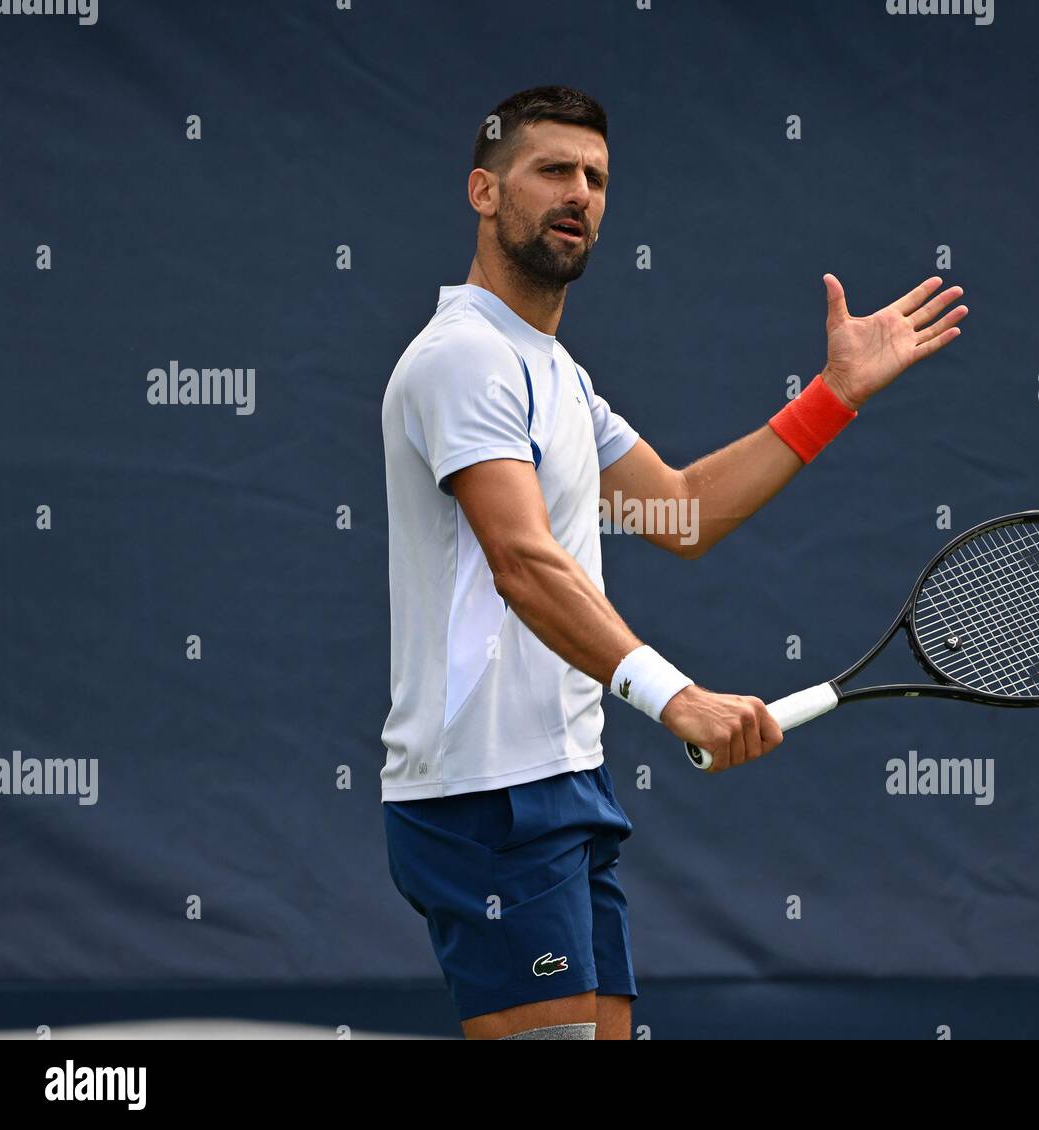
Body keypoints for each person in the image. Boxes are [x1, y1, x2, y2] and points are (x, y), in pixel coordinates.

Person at [379, 85, 967, 1040]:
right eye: (553, 170)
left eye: (597, 178)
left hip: (564, 781)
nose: (580, 193)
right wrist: (676, 697)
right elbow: (523, 562)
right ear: (485, 192)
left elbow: (682, 510)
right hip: (485, 794)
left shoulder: (558, 375)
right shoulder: (464, 359)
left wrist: (834, 394)